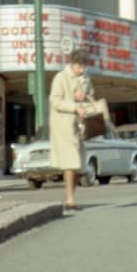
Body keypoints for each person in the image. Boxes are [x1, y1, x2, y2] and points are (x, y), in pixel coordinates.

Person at [49, 48, 94, 210]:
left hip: (81, 125)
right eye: (78, 66)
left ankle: (71, 197)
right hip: (63, 125)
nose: (81, 70)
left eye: (83, 66)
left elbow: (91, 97)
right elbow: (55, 101)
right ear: (72, 64)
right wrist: (74, 106)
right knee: (70, 161)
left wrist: (85, 97)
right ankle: (69, 200)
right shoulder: (60, 78)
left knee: (78, 164)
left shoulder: (86, 79)